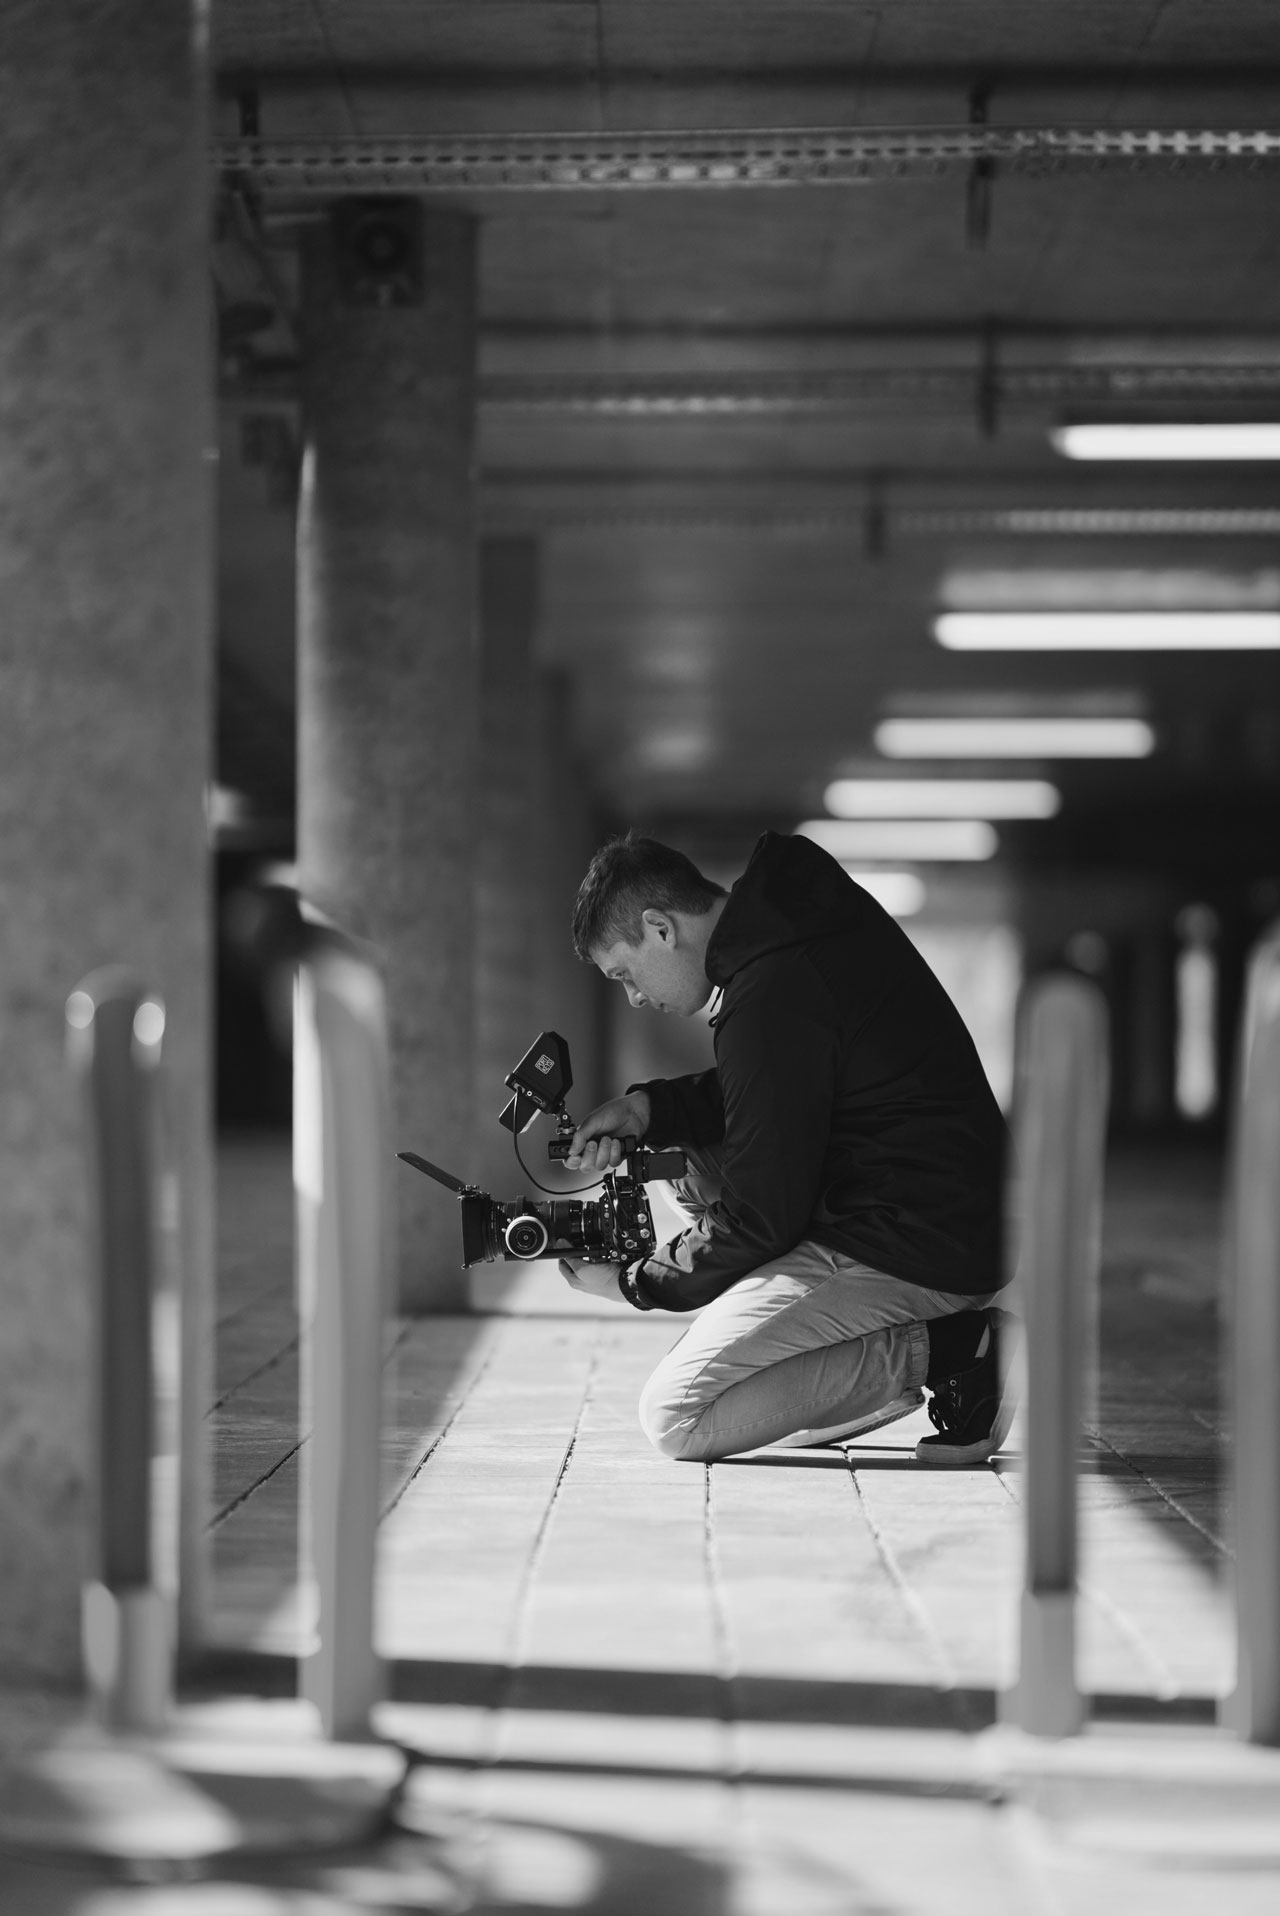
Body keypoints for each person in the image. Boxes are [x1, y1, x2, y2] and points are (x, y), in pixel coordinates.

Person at [561, 828, 1016, 1466]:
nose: (634, 996)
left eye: (624, 973)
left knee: (677, 1415)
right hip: (942, 1205)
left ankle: (962, 1349)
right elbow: (783, 1082)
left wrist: (638, 1282)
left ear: (660, 928)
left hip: (916, 1242)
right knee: (677, 1153)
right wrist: (650, 1110)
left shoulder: (770, 992)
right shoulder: (793, 936)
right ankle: (805, 1336)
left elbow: (760, 1213)